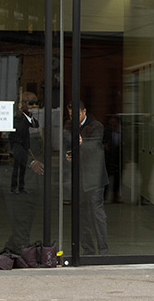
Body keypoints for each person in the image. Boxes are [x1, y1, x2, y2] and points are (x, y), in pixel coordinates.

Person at [2, 91, 45, 254]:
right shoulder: (15, 121)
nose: (33, 106)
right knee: (20, 218)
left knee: (27, 219)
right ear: (21, 104)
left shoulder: (33, 121)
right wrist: (31, 162)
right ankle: (22, 253)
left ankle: (13, 249)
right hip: (17, 179)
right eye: (29, 102)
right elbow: (14, 147)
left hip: (32, 180)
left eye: (36, 102)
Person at [65, 100, 109, 255]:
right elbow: (67, 144)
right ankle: (88, 249)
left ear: (84, 111)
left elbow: (95, 146)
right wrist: (69, 154)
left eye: (76, 115)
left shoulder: (96, 126)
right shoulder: (69, 125)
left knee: (97, 214)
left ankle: (103, 250)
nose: (73, 119)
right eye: (70, 115)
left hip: (95, 177)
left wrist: (82, 143)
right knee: (81, 215)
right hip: (79, 177)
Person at [10, 92, 40, 194]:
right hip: (17, 143)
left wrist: (30, 117)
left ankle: (21, 187)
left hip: (24, 144)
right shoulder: (16, 116)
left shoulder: (26, 116)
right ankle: (14, 187)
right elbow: (17, 128)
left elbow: (36, 125)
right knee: (16, 167)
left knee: (23, 167)